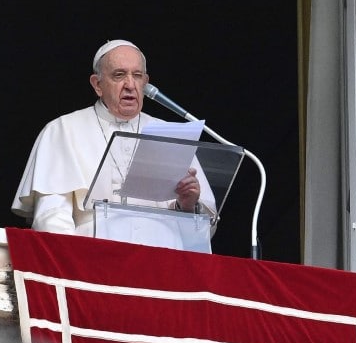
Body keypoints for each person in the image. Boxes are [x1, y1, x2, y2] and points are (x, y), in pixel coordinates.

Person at [11, 40, 215, 236]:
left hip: (162, 260)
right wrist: (74, 264)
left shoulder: (171, 134)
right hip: (92, 259)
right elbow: (52, 217)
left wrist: (187, 206)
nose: (130, 84)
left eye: (137, 76)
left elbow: (204, 230)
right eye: (119, 75)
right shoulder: (63, 129)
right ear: (97, 84)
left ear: (145, 82)